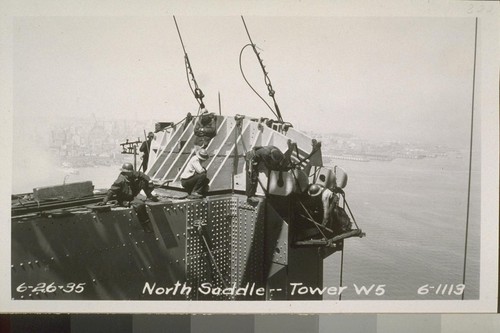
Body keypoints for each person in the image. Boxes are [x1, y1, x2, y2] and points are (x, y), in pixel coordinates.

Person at [99, 162, 158, 232]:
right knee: (140, 205)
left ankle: (149, 195)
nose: (130, 174)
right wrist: (104, 201)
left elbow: (142, 175)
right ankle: (145, 225)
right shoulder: (120, 180)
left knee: (143, 182)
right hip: (123, 199)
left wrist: (150, 182)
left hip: (131, 196)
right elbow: (111, 191)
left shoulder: (132, 174)